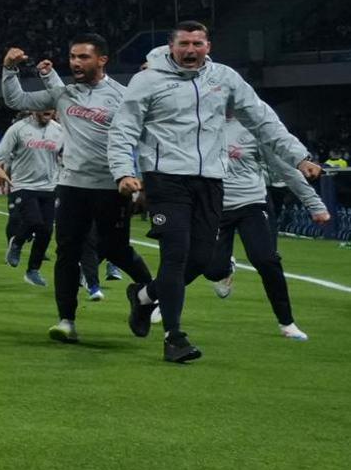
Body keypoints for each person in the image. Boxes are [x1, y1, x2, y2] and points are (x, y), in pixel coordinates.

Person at [108, 21, 321, 363]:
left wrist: (299, 156)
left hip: (210, 181)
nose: (190, 50)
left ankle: (144, 296)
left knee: (202, 260)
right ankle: (174, 338)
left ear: (208, 46)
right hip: (165, 179)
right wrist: (123, 171)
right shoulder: (147, 80)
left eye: (197, 43)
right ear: (171, 46)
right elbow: (124, 128)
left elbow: (263, 119)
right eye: (184, 44)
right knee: (176, 254)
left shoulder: (225, 78)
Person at [2, 35, 156, 344]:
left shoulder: (122, 96)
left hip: (112, 187)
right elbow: (17, 101)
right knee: (67, 252)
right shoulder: (63, 94)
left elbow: (144, 139)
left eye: (83, 57)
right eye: (72, 56)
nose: (75, 62)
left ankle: (149, 293)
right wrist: (8, 70)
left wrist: (142, 181)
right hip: (71, 186)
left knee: (116, 249)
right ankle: (66, 320)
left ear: (102, 60)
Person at [207, 115, 331, 339]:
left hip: (251, 204)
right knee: (212, 269)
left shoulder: (251, 129)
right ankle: (225, 268)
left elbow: (286, 170)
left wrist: (315, 205)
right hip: (216, 208)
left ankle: (287, 323)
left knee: (266, 260)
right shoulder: (202, 124)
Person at [0, 109, 63, 287]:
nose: (48, 110)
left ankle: (33, 271)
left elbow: (67, 155)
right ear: (34, 108)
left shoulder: (60, 130)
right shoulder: (18, 129)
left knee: (46, 231)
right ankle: (17, 243)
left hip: (49, 187)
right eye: (43, 106)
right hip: (23, 185)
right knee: (34, 221)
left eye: (51, 106)